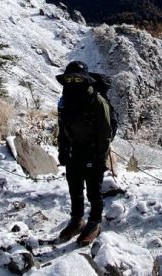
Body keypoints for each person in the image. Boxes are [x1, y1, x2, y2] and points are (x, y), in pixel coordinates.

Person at [55, 60, 114, 246]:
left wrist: (101, 156)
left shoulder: (96, 100)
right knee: (74, 187)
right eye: (70, 78)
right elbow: (62, 127)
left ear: (85, 79)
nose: (73, 81)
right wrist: (63, 150)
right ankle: (77, 220)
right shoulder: (65, 101)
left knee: (94, 190)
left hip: (93, 150)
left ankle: (95, 222)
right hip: (74, 150)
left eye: (77, 78)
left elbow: (106, 131)